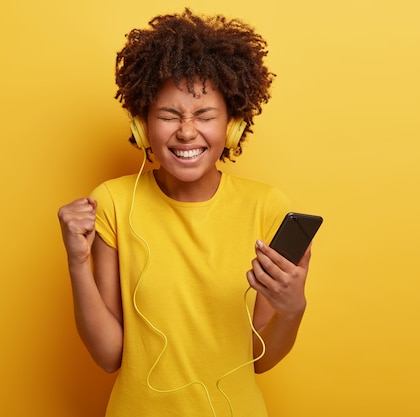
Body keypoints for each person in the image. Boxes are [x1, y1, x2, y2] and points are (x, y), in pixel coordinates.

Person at [57, 9, 311, 417]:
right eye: (169, 115)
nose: (187, 131)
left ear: (232, 127)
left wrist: (292, 307)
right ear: (142, 126)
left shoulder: (268, 207)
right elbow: (108, 356)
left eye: (205, 115)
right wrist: (76, 261)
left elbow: (260, 359)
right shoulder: (113, 203)